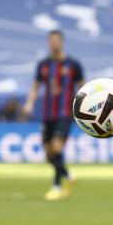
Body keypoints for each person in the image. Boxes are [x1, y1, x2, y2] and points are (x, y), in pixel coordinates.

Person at [22, 30, 85, 201]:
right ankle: (68, 175)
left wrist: (85, 107)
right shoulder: (43, 65)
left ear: (62, 42)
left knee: (57, 147)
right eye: (51, 41)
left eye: (57, 40)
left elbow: (83, 87)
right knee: (49, 155)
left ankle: (56, 186)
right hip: (47, 114)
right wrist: (29, 103)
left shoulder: (73, 64)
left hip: (65, 113)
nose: (54, 43)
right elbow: (35, 86)